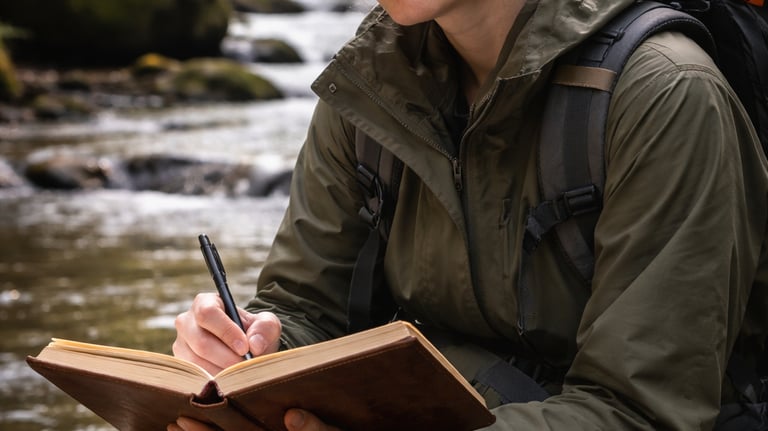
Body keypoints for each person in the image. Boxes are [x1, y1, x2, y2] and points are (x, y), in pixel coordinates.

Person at [170, 0, 768, 429]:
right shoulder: (376, 76)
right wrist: (251, 352)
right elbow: (307, 309)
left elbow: (639, 412)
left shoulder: (666, 94)